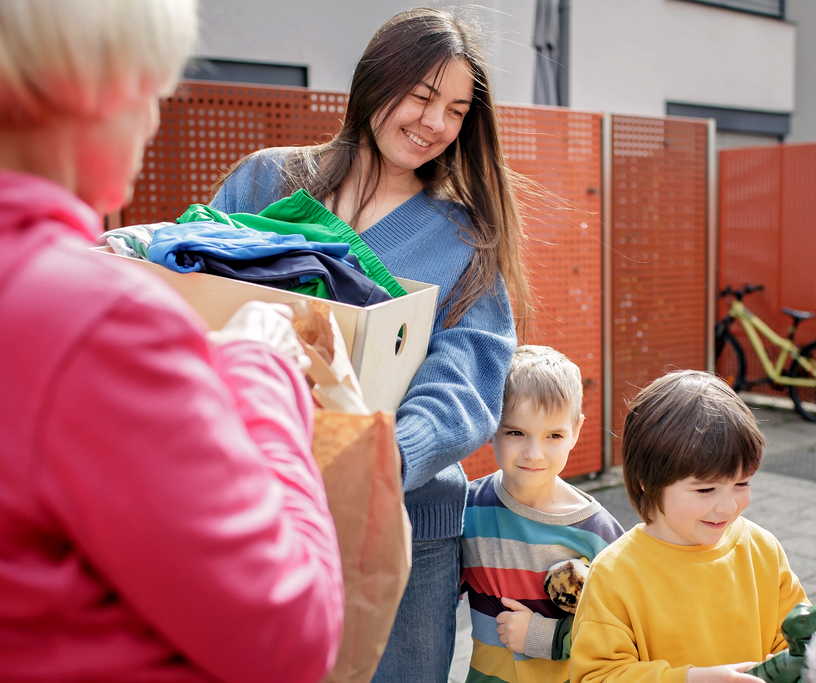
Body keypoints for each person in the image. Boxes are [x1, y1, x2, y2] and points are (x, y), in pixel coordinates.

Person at [0, 1, 343, 682]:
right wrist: (260, 366)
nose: (154, 122)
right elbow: (290, 633)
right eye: (152, 92)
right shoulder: (99, 325)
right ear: (94, 87)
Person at [208, 8, 530, 681]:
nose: (435, 123)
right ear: (375, 80)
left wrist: (376, 462)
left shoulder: (464, 238)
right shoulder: (268, 182)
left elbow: (466, 380)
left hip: (404, 521)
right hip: (255, 500)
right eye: (421, 96)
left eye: (456, 110)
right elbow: (199, 290)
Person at [570, 370, 808, 683]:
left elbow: (794, 639)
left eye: (742, 483)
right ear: (646, 481)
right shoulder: (614, 574)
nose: (728, 506)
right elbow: (598, 675)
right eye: (705, 489)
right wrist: (692, 678)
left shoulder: (762, 549)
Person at [461, 345, 624, 683]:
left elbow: (624, 631)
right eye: (516, 432)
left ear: (576, 431)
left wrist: (547, 637)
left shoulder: (598, 531)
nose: (534, 453)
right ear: (491, 423)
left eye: (553, 435)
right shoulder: (467, 509)